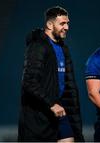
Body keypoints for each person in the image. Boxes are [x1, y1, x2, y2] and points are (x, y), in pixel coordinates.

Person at [18, 6, 84, 142]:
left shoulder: (63, 49)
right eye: (62, 23)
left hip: (60, 112)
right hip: (39, 116)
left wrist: (76, 124)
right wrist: (51, 104)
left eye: (67, 23)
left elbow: (68, 87)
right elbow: (29, 82)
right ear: (49, 24)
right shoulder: (37, 46)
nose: (66, 27)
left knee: (69, 139)